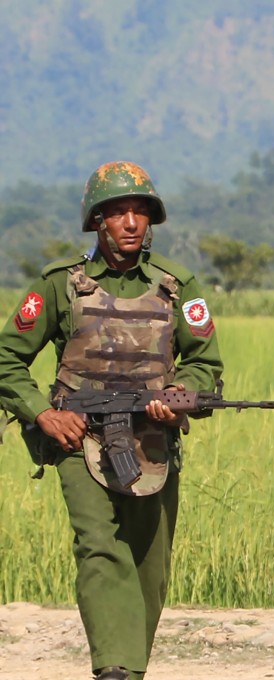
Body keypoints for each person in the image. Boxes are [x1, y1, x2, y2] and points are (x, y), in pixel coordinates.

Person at [0, 161, 224, 680]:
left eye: (140, 212)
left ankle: (129, 667)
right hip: (79, 439)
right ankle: (113, 669)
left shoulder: (177, 285)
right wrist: (44, 413)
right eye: (118, 212)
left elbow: (205, 363)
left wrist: (179, 394)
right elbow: (8, 359)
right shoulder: (60, 285)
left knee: (150, 563)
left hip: (152, 437)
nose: (130, 222)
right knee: (98, 546)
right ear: (97, 222)